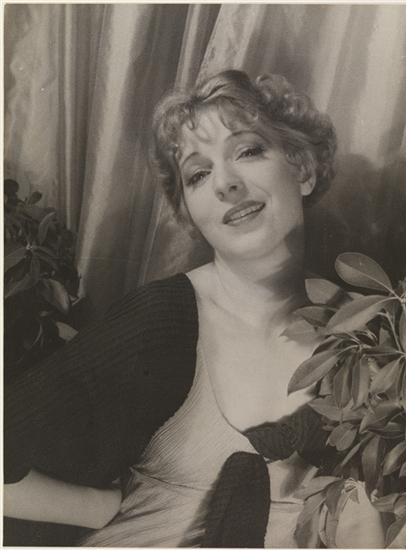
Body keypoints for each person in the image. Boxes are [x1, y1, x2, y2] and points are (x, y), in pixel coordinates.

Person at [4, 70, 385, 548]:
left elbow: (370, 510)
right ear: (189, 212)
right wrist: (97, 507)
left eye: (247, 151)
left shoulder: (369, 330)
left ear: (303, 169)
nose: (225, 184)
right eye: (198, 174)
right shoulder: (160, 321)